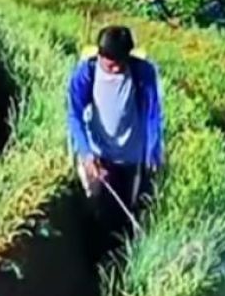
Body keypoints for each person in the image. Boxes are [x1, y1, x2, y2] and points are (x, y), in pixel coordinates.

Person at [67, 25, 164, 235]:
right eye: (111, 64)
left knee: (128, 210)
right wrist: (86, 152)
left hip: (132, 157)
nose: (116, 68)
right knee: (100, 211)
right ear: (100, 55)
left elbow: (153, 114)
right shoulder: (86, 73)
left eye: (121, 62)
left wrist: (153, 152)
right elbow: (74, 114)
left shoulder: (142, 72)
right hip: (100, 156)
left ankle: (123, 245)